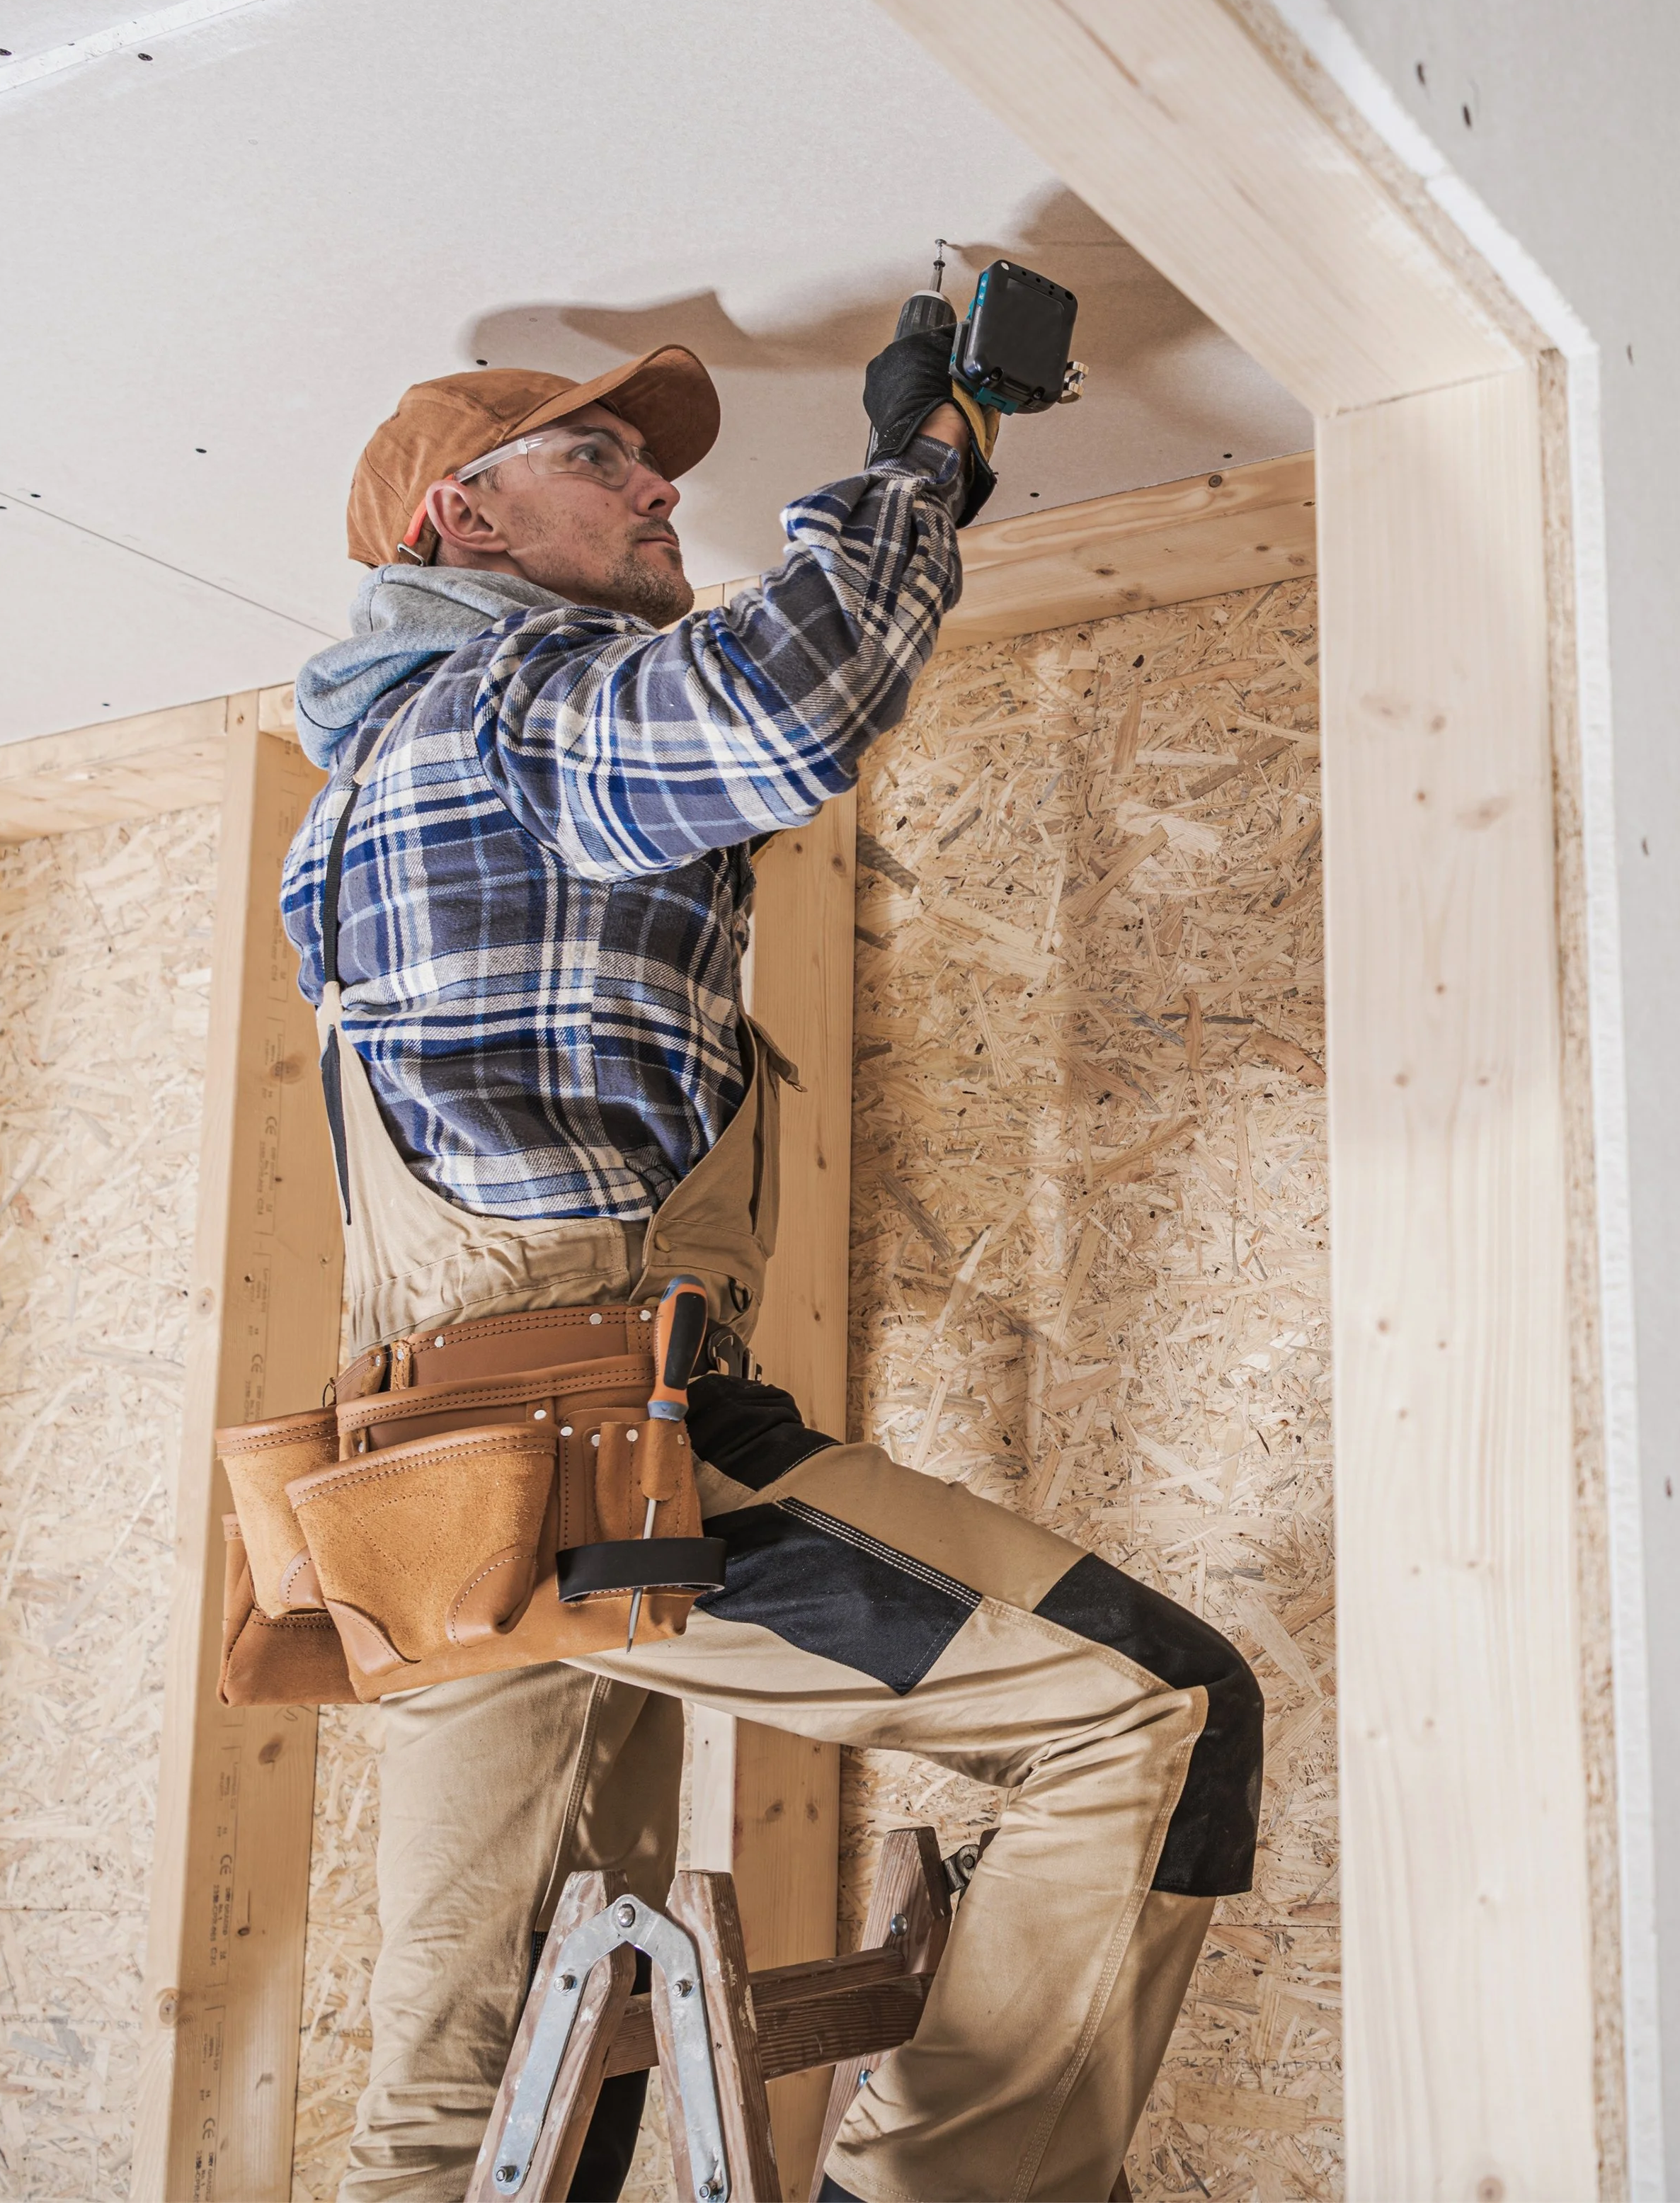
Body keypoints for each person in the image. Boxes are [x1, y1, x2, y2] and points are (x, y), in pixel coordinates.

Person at [281, 334, 1263, 2203]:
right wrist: (929, 452)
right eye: (601, 457)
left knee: (480, 2105)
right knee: (1151, 1709)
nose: (659, 486)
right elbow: (778, 707)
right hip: (593, 1447)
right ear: (454, 517)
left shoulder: (368, 796)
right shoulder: (504, 701)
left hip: (429, 1506)